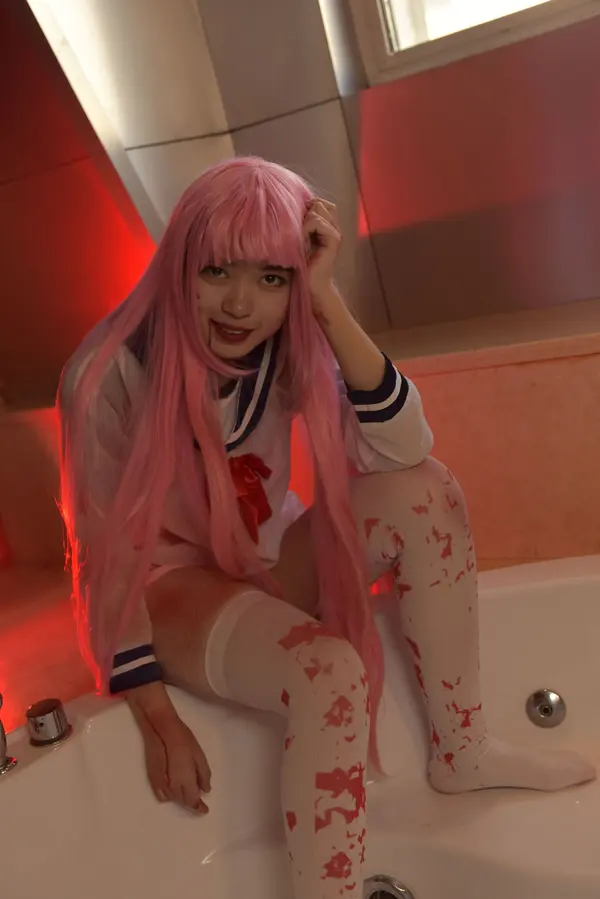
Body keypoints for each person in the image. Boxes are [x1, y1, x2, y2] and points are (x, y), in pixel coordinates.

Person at [57, 157, 594, 899]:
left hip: (261, 559)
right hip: (167, 585)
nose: (240, 303)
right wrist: (153, 712)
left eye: (271, 277)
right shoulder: (106, 373)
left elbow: (403, 448)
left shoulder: (288, 344)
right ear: (180, 262)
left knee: (426, 492)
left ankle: (463, 747)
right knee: (329, 672)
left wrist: (326, 302)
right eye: (216, 270)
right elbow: (103, 550)